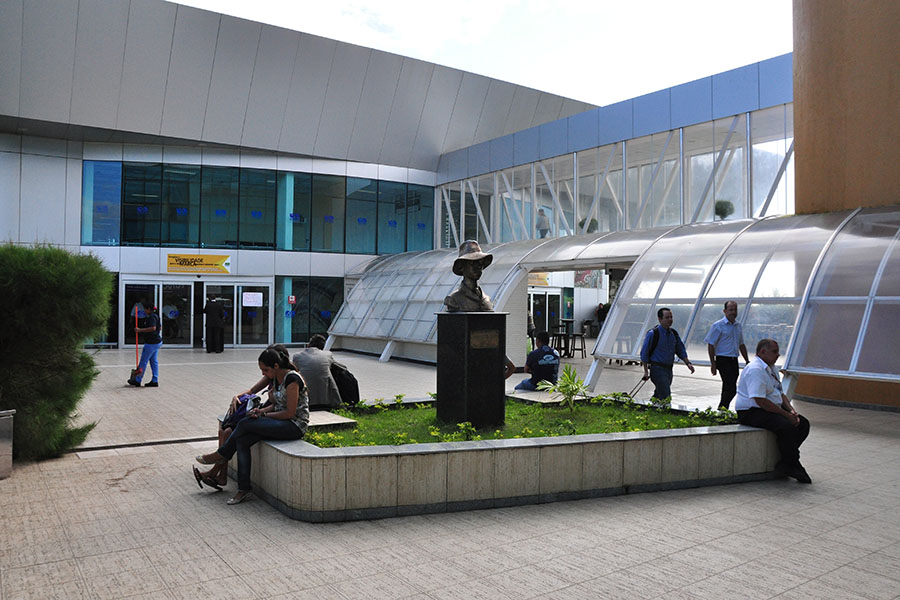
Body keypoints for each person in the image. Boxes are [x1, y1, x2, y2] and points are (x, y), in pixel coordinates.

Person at [195, 345, 309, 504]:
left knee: (245, 423)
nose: (263, 374)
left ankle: (221, 454)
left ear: (276, 366)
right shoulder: (276, 378)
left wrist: (265, 414)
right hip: (279, 421)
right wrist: (260, 412)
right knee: (242, 440)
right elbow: (277, 406)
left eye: (265, 370)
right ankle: (244, 489)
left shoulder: (292, 379)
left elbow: (290, 413)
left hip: (294, 426)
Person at [735, 339, 811, 484]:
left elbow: (780, 394)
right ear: (763, 352)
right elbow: (760, 400)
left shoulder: (771, 368)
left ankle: (787, 462)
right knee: (786, 426)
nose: (778, 355)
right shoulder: (756, 369)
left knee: (803, 423)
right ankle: (794, 464)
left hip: (767, 407)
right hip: (751, 411)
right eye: (775, 351)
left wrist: (792, 411)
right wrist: (785, 415)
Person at [640, 307, 694, 402]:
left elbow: (680, 349)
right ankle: (666, 411)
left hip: (669, 369)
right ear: (660, 319)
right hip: (657, 369)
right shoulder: (653, 334)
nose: (670, 320)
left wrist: (688, 363)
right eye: (667, 317)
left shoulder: (673, 334)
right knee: (666, 394)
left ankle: (649, 408)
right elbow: (644, 353)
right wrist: (645, 371)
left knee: (659, 393)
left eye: (671, 317)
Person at [704, 301, 750, 409]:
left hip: (734, 360)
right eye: (731, 310)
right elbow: (711, 344)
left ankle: (723, 409)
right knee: (731, 387)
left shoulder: (738, 326)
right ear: (724, 311)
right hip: (723, 359)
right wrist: (713, 363)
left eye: (735, 310)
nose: (733, 312)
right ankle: (722, 407)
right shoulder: (718, 325)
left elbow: (741, 344)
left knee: (728, 386)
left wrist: (747, 360)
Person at [292, 334, 342, 410]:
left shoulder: (297, 356)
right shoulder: (327, 354)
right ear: (323, 347)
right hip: (325, 398)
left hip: (306, 398)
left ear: (308, 345)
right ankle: (339, 404)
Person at [444, 240, 494, 312]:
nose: (478, 267)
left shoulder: (487, 299)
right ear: (462, 267)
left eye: (480, 263)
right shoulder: (453, 299)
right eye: (472, 263)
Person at [127, 305, 162, 387]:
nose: (145, 311)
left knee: (143, 361)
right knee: (154, 361)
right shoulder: (156, 316)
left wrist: (140, 330)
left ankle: (137, 380)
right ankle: (155, 380)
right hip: (156, 342)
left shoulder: (151, 317)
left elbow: (153, 328)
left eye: (146, 309)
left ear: (149, 309)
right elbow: (159, 328)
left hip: (151, 343)